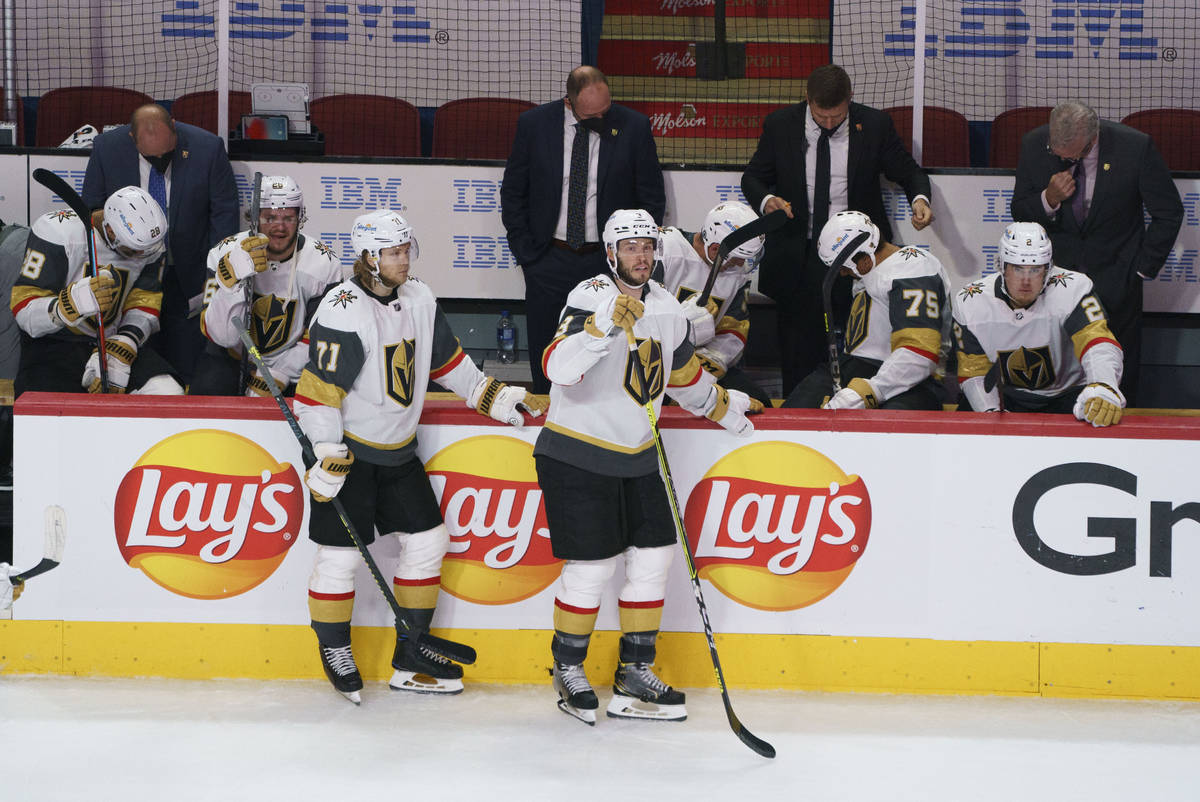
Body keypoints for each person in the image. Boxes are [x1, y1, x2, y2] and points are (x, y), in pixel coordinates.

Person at [293, 209, 548, 704]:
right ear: (369, 259)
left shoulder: (420, 298)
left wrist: (498, 397)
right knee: (340, 558)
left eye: (406, 249)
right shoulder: (342, 307)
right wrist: (325, 452)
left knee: (430, 541)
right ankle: (335, 649)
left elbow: (450, 363)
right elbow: (318, 393)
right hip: (351, 456)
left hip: (399, 454)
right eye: (393, 253)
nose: (404, 260)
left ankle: (410, 653)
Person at [534, 209, 763, 725]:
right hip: (577, 451)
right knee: (591, 569)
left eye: (647, 247)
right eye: (630, 247)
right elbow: (556, 368)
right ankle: (568, 668)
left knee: (655, 558)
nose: (641, 256)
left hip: (638, 455)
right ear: (611, 253)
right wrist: (598, 330)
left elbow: (682, 376)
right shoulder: (589, 296)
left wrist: (725, 408)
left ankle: (636, 669)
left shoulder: (666, 307)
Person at [741, 64, 933, 397]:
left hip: (858, 259)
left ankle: (855, 412)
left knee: (860, 347)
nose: (829, 124)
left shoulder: (874, 125)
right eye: (820, 116)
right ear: (807, 100)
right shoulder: (780, 125)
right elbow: (753, 177)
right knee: (798, 351)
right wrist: (767, 199)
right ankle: (799, 418)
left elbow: (909, 172)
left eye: (837, 116)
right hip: (798, 255)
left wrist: (920, 199)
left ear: (850, 99)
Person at [500, 65, 666, 395]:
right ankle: (546, 417)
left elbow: (651, 198)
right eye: (593, 115)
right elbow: (514, 191)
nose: (602, 121)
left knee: (605, 348)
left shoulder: (633, 126)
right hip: (548, 258)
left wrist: (632, 257)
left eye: (606, 110)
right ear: (569, 103)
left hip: (605, 265)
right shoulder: (534, 125)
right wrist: (527, 253)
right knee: (547, 348)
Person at [1011, 100, 1182, 406]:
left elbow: (1169, 212)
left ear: (1092, 138)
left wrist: (1142, 269)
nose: (1064, 160)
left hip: (1117, 280)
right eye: (1057, 153)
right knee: (1056, 373)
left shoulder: (1135, 147)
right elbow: (1020, 211)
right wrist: (1048, 199)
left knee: (1118, 373)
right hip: (1055, 284)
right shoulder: (1034, 144)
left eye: (1074, 154)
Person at [83, 103, 240, 386]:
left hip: (186, 278)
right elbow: (91, 208)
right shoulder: (107, 148)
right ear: (132, 138)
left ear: (175, 129)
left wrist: (214, 276)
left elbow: (224, 216)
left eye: (166, 154)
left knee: (187, 365)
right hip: (131, 279)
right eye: (151, 157)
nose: (161, 162)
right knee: (139, 365)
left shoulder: (208, 149)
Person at [9, 186, 182, 396]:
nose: (141, 257)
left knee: (166, 390)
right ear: (110, 231)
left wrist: (126, 341)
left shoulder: (148, 246)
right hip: (53, 344)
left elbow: (144, 301)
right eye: (133, 251)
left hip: (110, 341)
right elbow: (23, 309)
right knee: (47, 407)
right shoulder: (58, 232)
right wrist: (66, 306)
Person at [952, 222, 1125, 426]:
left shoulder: (1074, 289)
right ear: (1001, 266)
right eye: (1018, 268)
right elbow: (973, 370)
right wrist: (988, 412)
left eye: (1035, 270)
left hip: (1069, 395)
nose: (1026, 281)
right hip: (1009, 396)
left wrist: (1103, 385)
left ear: (1048, 269)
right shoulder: (971, 301)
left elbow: (1097, 342)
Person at [781, 210, 949, 411]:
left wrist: (870, 390)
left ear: (865, 256)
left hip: (912, 380)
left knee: (889, 427)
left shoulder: (912, 268)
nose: (843, 273)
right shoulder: (869, 269)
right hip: (852, 367)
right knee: (795, 413)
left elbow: (919, 353)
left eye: (844, 266)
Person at [191, 176, 342, 396]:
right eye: (270, 217)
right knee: (206, 395)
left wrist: (279, 372)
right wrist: (230, 286)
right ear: (254, 218)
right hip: (231, 356)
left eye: (288, 218)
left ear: (300, 218)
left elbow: (321, 335)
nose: (279, 227)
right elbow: (220, 336)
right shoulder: (223, 253)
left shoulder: (324, 263)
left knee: (319, 404)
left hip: (293, 363)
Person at [654, 201, 772, 406]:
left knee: (757, 400)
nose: (740, 265)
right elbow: (641, 314)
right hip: (654, 359)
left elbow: (733, 330)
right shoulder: (664, 250)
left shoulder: (737, 274)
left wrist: (702, 370)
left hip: (699, 362)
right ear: (715, 248)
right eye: (736, 259)